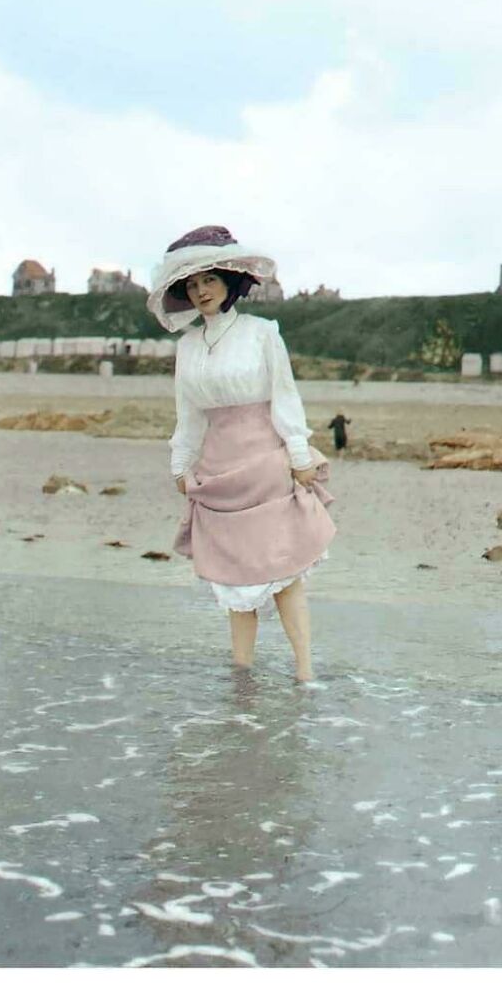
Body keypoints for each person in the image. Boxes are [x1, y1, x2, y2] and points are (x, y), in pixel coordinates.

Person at [147, 225, 336, 683]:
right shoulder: (188, 346)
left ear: (230, 282)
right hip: (218, 469)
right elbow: (188, 414)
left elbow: (284, 397)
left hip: (266, 462)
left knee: (283, 571)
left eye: (208, 281)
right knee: (234, 580)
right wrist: (179, 464)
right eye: (191, 285)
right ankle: (242, 679)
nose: (200, 291)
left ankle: (306, 674)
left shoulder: (262, 333)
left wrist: (298, 455)